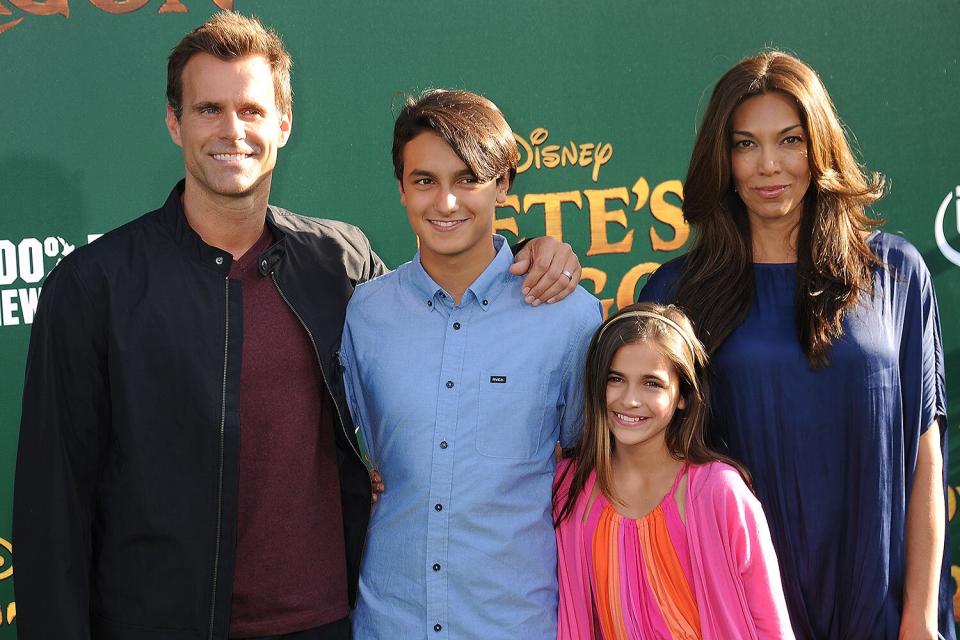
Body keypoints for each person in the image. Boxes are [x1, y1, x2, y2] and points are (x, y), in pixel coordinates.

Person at [12, 13, 581, 640]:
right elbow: (52, 501)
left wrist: (526, 254)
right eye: (209, 110)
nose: (233, 131)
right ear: (175, 122)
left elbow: (446, 316)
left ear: (284, 122)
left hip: (328, 623)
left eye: (252, 110)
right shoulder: (97, 285)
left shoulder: (339, 263)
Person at [639, 51, 952, 640]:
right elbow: (653, 469)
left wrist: (920, 618)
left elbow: (926, 459)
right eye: (745, 144)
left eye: (789, 140)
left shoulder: (896, 273)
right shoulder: (678, 291)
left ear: (820, 146)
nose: (768, 165)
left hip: (885, 614)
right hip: (737, 614)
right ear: (722, 158)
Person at [339, 89, 602, 639]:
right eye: (425, 181)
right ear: (402, 189)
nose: (446, 203)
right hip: (389, 622)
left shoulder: (569, 317)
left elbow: (592, 468)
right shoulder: (365, 313)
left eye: (467, 179)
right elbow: (349, 455)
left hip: (516, 623)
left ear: (503, 182)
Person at [553, 302, 793, 639]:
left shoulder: (719, 491)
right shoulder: (569, 488)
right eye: (615, 379)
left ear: (682, 395)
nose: (630, 399)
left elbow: (771, 624)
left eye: (652, 383)